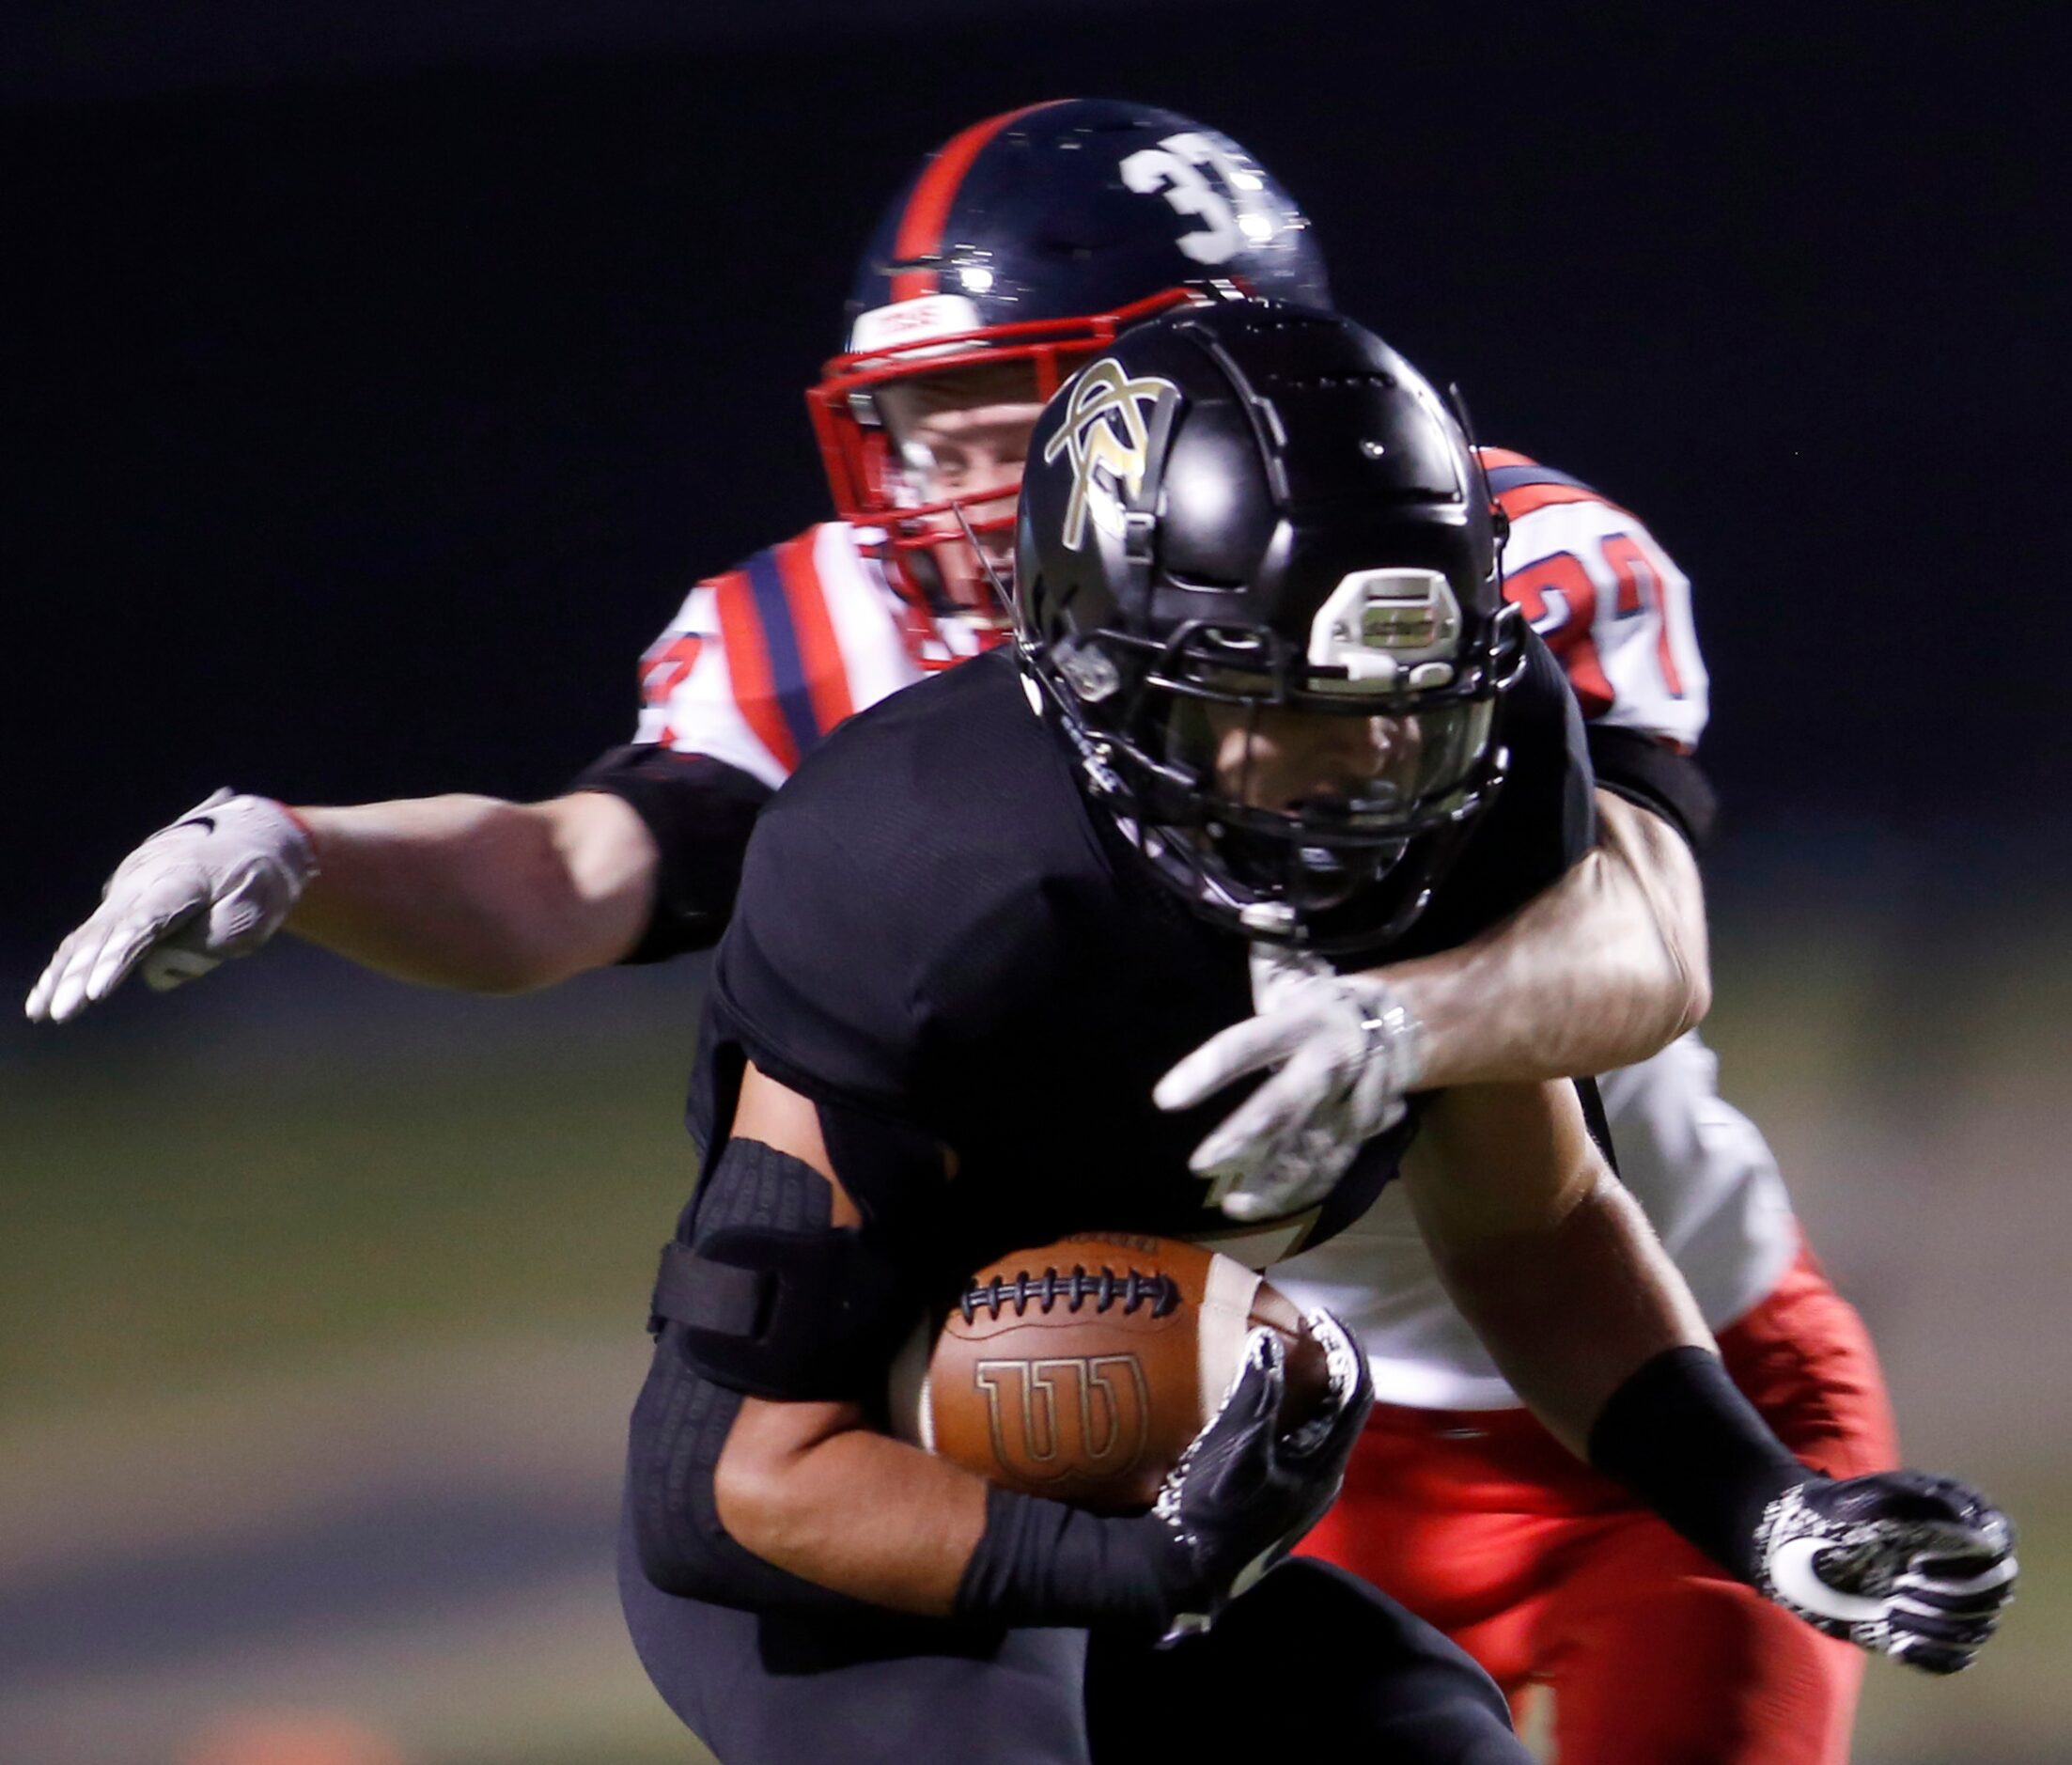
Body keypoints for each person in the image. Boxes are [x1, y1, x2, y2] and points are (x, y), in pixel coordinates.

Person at [23, 100, 2003, 1756]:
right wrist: (310, 848)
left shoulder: (1460, 586)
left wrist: (1396, 1028)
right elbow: (579, 870)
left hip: (1616, 1341)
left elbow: (1632, 963)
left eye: (1001, 420)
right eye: (924, 426)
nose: (943, 492)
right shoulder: (897, 777)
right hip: (1210, 1378)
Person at [618, 299, 2011, 1763]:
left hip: (1137, 1502)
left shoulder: (1485, 773)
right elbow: (725, 1483)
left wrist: (1761, 1505)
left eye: (1413, 703)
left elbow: (1530, 1231)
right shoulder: (913, 866)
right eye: (1296, 702)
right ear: (1114, 676)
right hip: (849, 1541)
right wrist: (1145, 1570)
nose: (1379, 766)